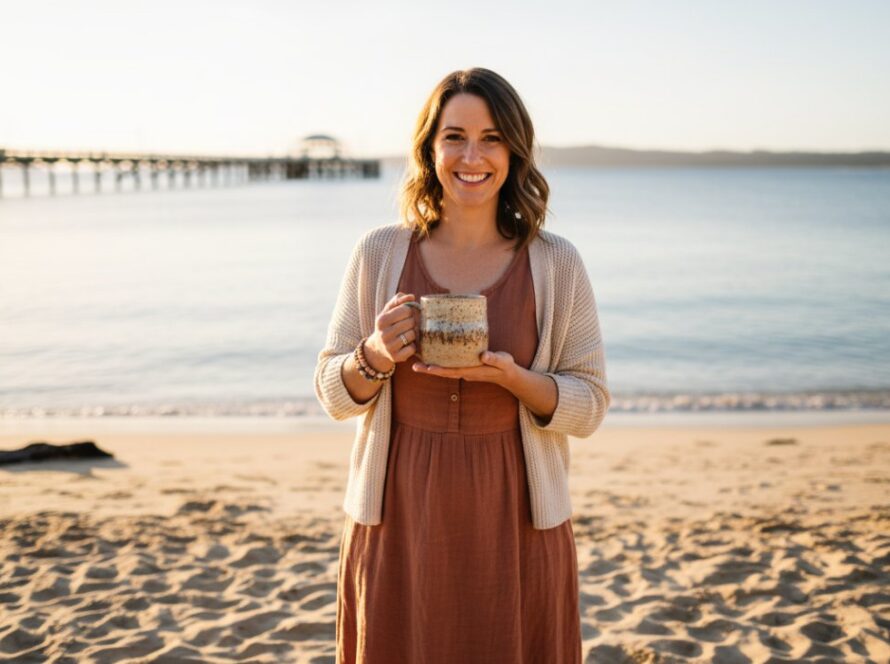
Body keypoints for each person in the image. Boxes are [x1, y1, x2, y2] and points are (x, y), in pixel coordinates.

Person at [314, 67, 610, 664]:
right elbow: (331, 392)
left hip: (518, 513)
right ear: (429, 148)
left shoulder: (557, 263)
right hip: (397, 509)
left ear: (515, 151)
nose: (472, 156)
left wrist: (517, 381)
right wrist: (373, 356)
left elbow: (591, 404)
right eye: (455, 136)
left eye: (492, 138)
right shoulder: (378, 252)